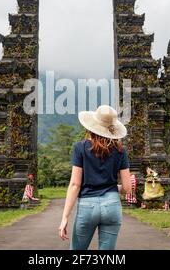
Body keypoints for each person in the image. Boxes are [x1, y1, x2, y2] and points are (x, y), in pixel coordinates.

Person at [58, 105, 132, 250]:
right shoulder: (120, 151)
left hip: (87, 206)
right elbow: (127, 188)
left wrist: (65, 218)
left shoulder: (80, 148)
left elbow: (75, 185)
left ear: (91, 126)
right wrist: (115, 188)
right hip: (112, 205)